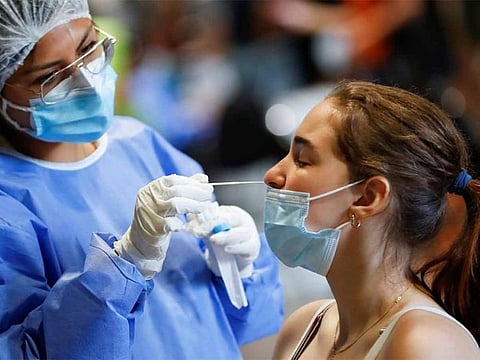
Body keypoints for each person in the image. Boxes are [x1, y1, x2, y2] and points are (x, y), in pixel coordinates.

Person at [0, 1, 283, 359]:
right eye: (49, 77)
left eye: (88, 47)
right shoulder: (8, 205)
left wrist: (236, 269)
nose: (86, 79)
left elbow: (233, 323)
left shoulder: (140, 143)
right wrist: (123, 264)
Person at [263, 80, 480, 359]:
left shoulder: (427, 343)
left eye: (302, 160)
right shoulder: (304, 327)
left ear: (368, 197)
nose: (272, 174)